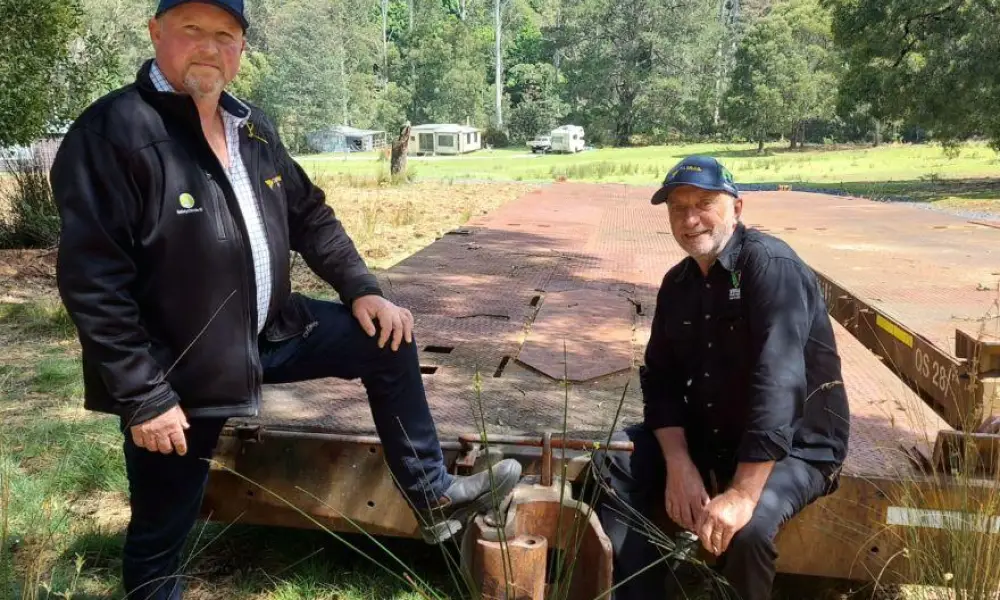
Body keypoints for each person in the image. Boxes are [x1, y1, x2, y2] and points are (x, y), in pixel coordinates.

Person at [49, 1, 520, 598]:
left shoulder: (250, 125)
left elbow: (309, 215)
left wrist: (363, 288)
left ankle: (430, 494)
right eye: (191, 31)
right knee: (163, 527)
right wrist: (144, 396)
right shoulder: (114, 132)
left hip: (274, 330)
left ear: (241, 49)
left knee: (386, 342)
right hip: (179, 362)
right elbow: (93, 280)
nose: (208, 48)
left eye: (225, 36)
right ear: (156, 33)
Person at [589, 156, 851, 600]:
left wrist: (743, 495)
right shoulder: (678, 283)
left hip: (796, 447)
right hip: (713, 433)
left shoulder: (771, 267)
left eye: (704, 203)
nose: (689, 219)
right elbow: (662, 381)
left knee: (748, 531)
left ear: (737, 207)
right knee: (610, 466)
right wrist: (679, 463)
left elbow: (779, 382)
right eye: (677, 207)